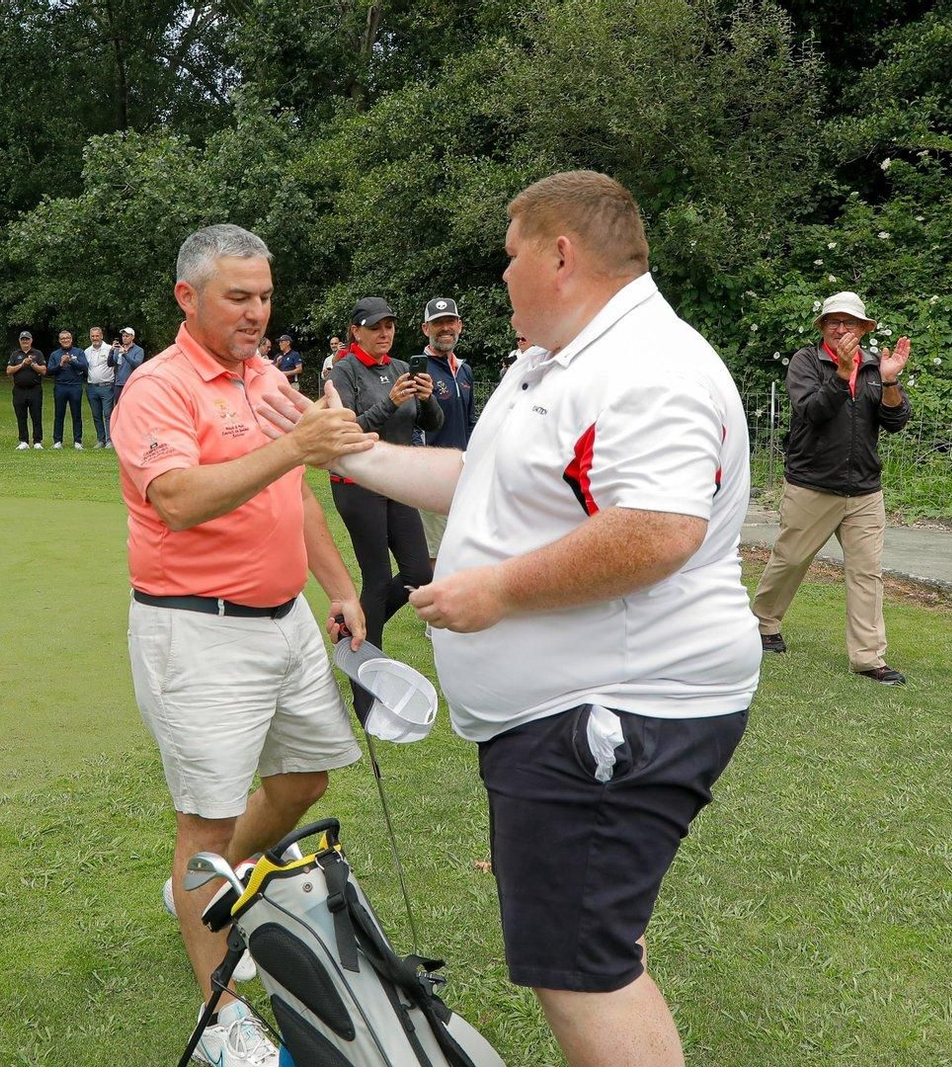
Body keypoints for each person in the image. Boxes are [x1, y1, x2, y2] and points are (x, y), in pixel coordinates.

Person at [257, 170, 760, 1067]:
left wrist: (498, 592)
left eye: (511, 253)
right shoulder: (556, 359)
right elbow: (478, 481)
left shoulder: (646, 365)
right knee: (593, 942)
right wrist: (350, 450)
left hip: (613, 710)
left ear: (560, 254)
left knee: (580, 969)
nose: (502, 276)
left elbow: (659, 527)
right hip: (574, 712)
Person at [112, 223, 373, 1067]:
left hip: (282, 620)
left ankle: (206, 885)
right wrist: (295, 444)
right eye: (239, 297)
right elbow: (179, 499)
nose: (257, 312)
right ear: (189, 297)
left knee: (304, 777)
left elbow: (294, 498)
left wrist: (337, 586)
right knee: (207, 817)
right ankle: (221, 1017)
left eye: (264, 295)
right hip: (197, 629)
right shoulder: (157, 387)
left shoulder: (266, 380)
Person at [751, 292, 913, 684]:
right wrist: (841, 375)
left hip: (864, 491)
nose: (841, 328)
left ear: (864, 329)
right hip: (813, 485)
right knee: (790, 559)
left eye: (850, 322)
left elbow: (895, 420)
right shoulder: (806, 362)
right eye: (833, 322)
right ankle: (763, 624)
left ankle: (868, 658)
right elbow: (812, 412)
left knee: (866, 573)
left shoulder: (876, 366)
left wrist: (890, 381)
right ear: (823, 327)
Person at [328, 296, 442, 719]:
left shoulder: (398, 369)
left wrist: (426, 399)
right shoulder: (344, 371)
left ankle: (356, 631)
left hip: (396, 482)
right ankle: (365, 693)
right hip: (356, 485)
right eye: (376, 326)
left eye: (390, 325)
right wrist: (390, 402)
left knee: (418, 573)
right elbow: (347, 430)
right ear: (356, 330)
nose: (385, 333)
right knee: (376, 581)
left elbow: (431, 424)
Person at [415, 297, 476, 571]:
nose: (445, 328)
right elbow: (412, 427)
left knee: (465, 546)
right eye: (438, 323)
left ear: (459, 325)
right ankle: (434, 613)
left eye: (449, 321)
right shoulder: (418, 370)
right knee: (437, 554)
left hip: (465, 476)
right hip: (433, 476)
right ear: (425, 328)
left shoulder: (465, 370)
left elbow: (471, 422)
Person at [47, 329, 87, 449]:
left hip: (75, 386)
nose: (65, 340)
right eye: (63, 338)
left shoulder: (79, 352)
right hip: (60, 386)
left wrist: (71, 361)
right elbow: (49, 371)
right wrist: (60, 364)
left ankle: (78, 441)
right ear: (59, 341)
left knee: (76, 414)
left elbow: (84, 367)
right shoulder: (55, 354)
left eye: (67, 338)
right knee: (59, 414)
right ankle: (57, 441)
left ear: (71, 339)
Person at [6, 330, 46, 449]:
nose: (25, 341)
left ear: (31, 340)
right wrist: (22, 364)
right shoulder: (15, 354)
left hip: (35, 389)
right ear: (19, 341)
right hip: (19, 390)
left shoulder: (37, 354)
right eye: (23, 339)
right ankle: (23, 441)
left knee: (36, 415)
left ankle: (37, 441)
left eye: (27, 339)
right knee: (21, 416)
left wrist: (32, 364)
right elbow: (8, 371)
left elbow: (44, 370)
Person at [82, 325, 116, 447]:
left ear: (101, 336)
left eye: (97, 335)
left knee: (108, 414)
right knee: (96, 415)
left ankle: (110, 440)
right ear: (90, 337)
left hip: (106, 386)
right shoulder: (86, 351)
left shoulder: (109, 349)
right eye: (93, 336)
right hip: (91, 387)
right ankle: (100, 440)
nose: (95, 338)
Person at [110, 326, 146, 410]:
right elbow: (111, 363)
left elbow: (136, 364)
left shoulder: (139, 350)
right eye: (123, 336)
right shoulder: (118, 349)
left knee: (131, 409)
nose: (124, 338)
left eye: (127, 336)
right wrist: (111, 351)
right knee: (119, 409)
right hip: (118, 384)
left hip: (132, 384)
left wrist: (125, 354)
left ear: (132, 337)